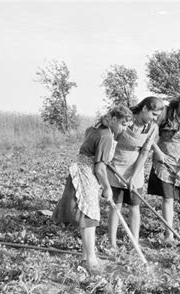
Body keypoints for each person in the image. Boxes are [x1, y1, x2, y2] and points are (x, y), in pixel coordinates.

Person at [52, 105, 132, 273]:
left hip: (81, 170)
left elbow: (96, 156)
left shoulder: (97, 128)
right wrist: (107, 188)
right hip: (86, 175)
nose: (124, 129)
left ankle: (86, 256)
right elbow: (100, 168)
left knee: (88, 218)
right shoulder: (106, 136)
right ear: (114, 119)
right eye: (123, 124)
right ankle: (91, 261)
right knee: (89, 219)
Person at [106, 97, 164, 252]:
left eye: (157, 116)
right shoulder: (126, 118)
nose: (155, 118)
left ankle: (134, 242)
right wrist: (109, 162)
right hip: (115, 164)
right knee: (115, 206)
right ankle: (112, 244)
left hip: (136, 167)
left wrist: (133, 176)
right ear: (144, 109)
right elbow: (110, 139)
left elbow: (145, 152)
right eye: (153, 114)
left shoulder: (152, 127)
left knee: (134, 206)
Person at [147, 90, 180, 243]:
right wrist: (157, 153)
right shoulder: (165, 113)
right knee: (168, 198)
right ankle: (169, 233)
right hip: (164, 158)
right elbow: (149, 135)